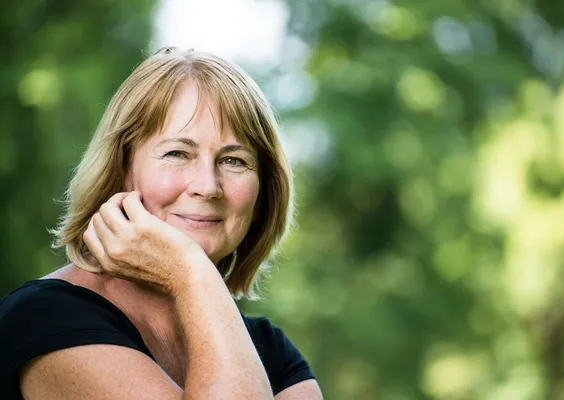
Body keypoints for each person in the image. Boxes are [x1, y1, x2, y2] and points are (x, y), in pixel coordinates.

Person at [0, 47, 323, 399]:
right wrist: (190, 272)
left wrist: (191, 278)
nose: (207, 186)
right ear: (122, 170)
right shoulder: (46, 318)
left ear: (264, 191)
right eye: (177, 154)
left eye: (234, 161)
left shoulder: (269, 352)